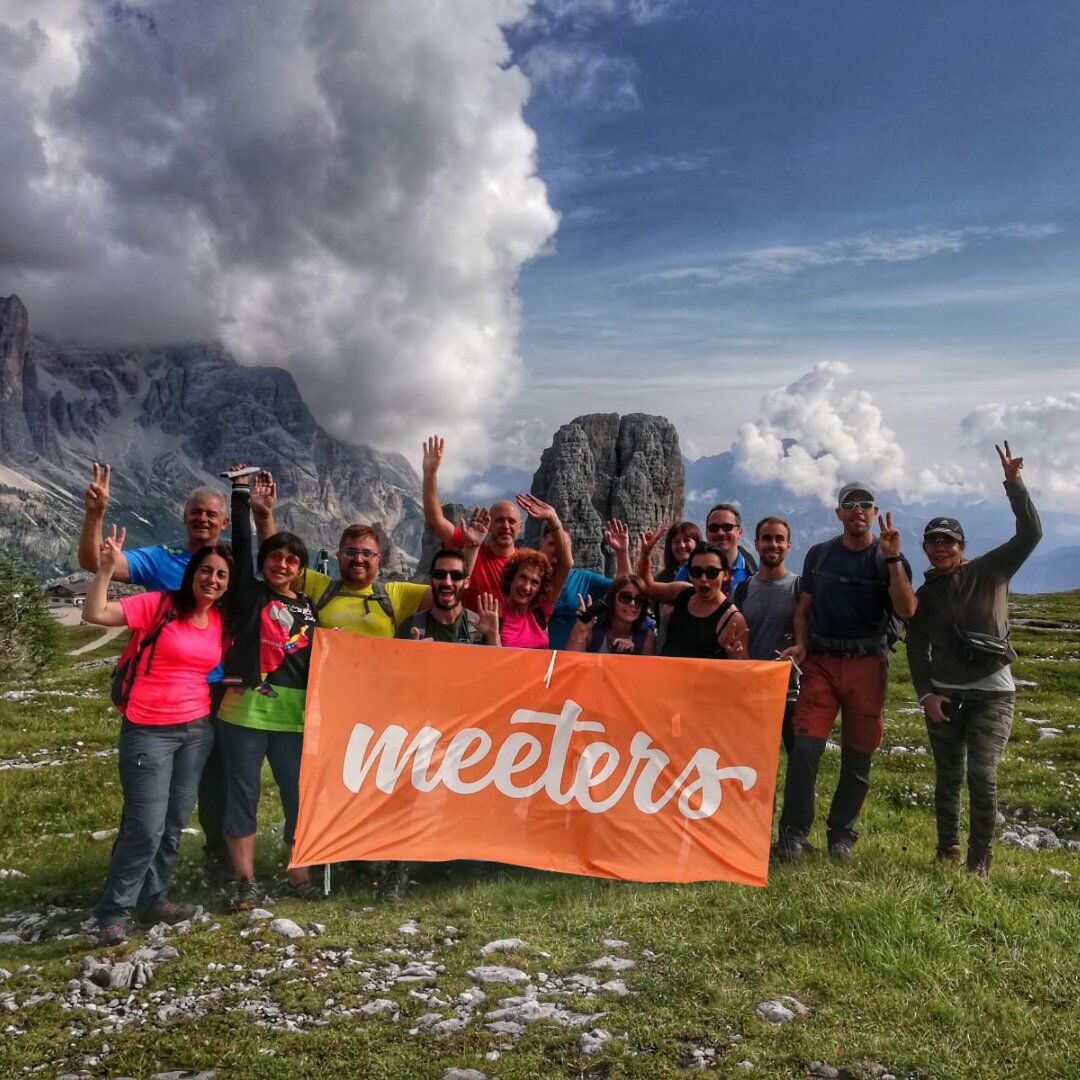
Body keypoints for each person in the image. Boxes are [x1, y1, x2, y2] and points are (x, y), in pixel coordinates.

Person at [249, 471, 436, 901]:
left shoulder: (396, 594)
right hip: (329, 710)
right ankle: (329, 857)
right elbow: (279, 563)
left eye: (367, 553)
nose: (358, 559)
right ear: (337, 555)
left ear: (379, 558)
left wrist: (472, 548)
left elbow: (451, 592)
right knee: (330, 785)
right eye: (351, 552)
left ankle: (376, 858)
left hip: (380, 710)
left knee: (378, 784)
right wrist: (265, 517)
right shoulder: (320, 587)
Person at [77, 462, 234, 880]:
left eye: (211, 514)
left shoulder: (229, 566)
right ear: (185, 517)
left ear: (225, 522)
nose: (202, 519)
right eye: (195, 512)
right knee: (149, 796)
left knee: (213, 784)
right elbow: (97, 563)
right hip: (161, 693)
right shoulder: (160, 558)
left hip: (215, 693)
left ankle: (215, 858)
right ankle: (128, 873)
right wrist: (95, 514)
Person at [906, 443, 1041, 879]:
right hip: (945, 695)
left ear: (962, 546)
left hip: (992, 695)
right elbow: (914, 647)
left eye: (948, 541)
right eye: (933, 541)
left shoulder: (992, 570)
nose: (941, 547)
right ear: (925, 548)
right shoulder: (924, 595)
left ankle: (979, 861)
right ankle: (947, 849)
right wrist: (926, 694)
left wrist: (1013, 484)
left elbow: (1031, 534)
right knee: (948, 776)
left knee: (981, 775)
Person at [774, 483, 916, 863]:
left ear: (874, 512)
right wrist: (802, 645)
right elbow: (803, 608)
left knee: (859, 753)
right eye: (849, 505)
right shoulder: (820, 556)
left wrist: (892, 560)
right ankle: (792, 835)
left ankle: (842, 836)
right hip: (820, 662)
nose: (858, 510)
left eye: (865, 505)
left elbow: (906, 610)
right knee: (804, 750)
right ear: (838, 514)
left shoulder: (890, 559)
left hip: (868, 665)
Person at [218, 471, 321, 909]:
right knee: (243, 792)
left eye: (292, 561)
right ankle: (244, 880)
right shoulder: (248, 594)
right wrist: (240, 498)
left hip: (294, 717)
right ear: (264, 563)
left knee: (298, 794)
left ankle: (300, 871)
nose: (282, 564)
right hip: (244, 712)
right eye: (275, 558)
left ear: (300, 569)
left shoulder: (308, 606)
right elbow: (241, 547)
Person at [422, 435, 524, 611]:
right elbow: (435, 519)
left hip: (510, 637)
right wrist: (430, 474)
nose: (506, 526)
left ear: (520, 527)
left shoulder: (527, 563)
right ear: (490, 524)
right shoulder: (469, 545)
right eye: (499, 520)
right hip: (470, 635)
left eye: (512, 521)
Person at [733, 517, 800, 754]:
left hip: (794, 692)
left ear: (789, 546)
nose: (773, 544)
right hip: (754, 691)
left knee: (799, 765)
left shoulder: (799, 588)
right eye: (767, 538)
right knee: (755, 762)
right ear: (757, 544)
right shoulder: (743, 590)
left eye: (779, 539)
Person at [637, 530, 748, 660]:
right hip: (665, 676)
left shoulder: (733, 620)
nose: (703, 578)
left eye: (711, 572)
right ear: (689, 574)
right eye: (696, 571)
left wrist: (735, 657)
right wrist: (645, 554)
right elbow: (646, 588)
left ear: (725, 575)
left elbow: (742, 667)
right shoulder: (683, 593)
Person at [544, 519, 632, 650]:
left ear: (570, 550)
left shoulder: (584, 579)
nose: (558, 549)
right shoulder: (529, 580)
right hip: (533, 657)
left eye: (562, 545)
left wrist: (622, 553)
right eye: (552, 544)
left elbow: (624, 589)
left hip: (572, 658)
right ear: (541, 545)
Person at [397, 549, 502, 645]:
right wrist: (411, 656)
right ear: (430, 580)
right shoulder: (411, 627)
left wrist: (493, 636)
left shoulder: (481, 628)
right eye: (440, 574)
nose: (447, 582)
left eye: (456, 575)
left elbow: (499, 665)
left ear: (466, 582)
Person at [566, 574, 657, 655]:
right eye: (625, 597)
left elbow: (646, 673)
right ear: (613, 599)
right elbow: (572, 662)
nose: (632, 604)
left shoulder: (646, 636)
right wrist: (581, 630)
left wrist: (630, 656)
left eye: (639, 600)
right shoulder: (592, 624)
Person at [704, 503, 758, 592]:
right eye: (714, 528)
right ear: (707, 534)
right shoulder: (690, 571)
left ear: (739, 532)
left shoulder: (756, 573)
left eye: (727, 527)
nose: (720, 533)